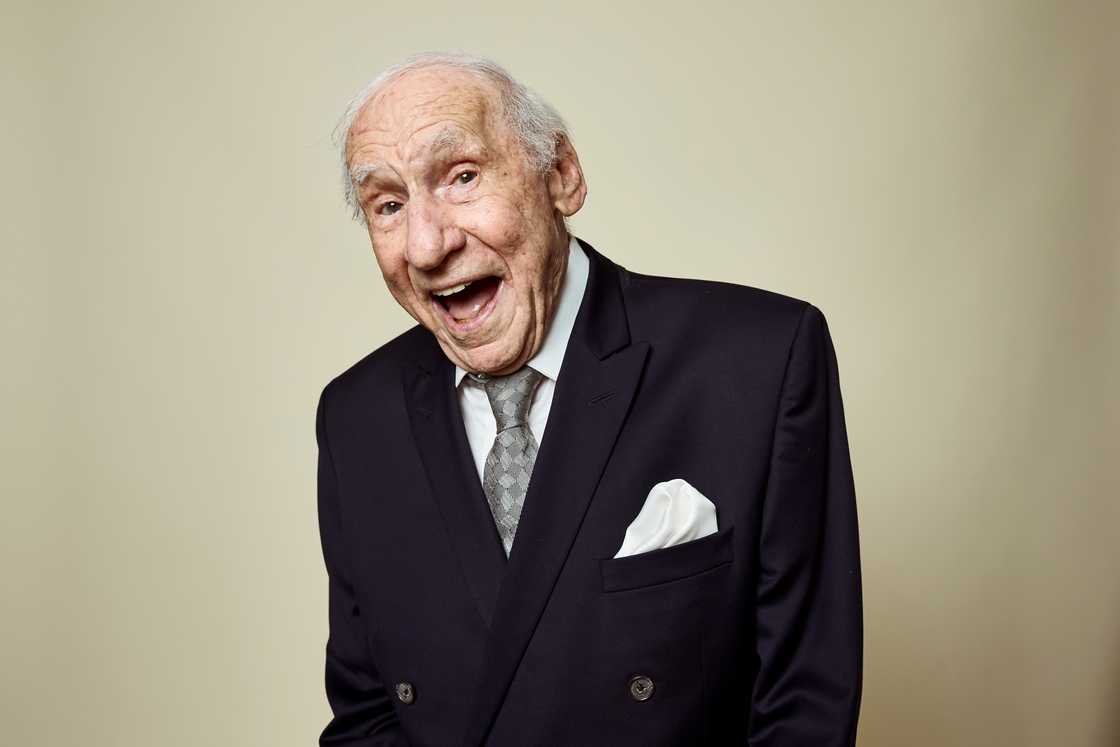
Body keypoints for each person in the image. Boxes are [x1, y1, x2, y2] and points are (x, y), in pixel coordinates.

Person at [315, 51, 862, 746]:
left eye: (462, 177)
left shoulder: (760, 361)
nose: (426, 246)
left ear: (562, 175)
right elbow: (368, 718)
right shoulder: (355, 418)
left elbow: (803, 709)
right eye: (389, 204)